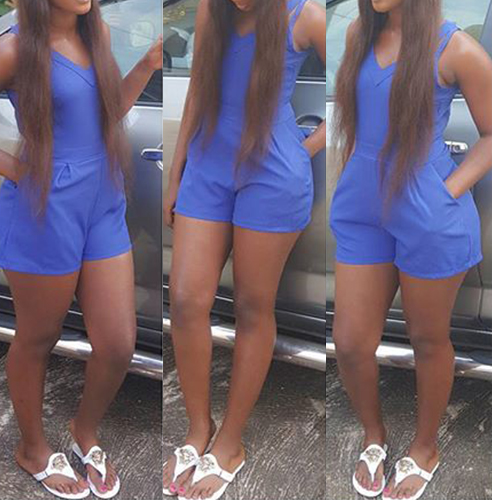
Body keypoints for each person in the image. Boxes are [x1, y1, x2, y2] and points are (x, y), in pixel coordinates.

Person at [0, 0, 162, 498]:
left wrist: (147, 66)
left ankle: (83, 430)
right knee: (38, 337)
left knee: (117, 343)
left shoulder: (96, 34)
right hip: (45, 208)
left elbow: (108, 114)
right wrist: (17, 170)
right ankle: (32, 448)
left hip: (102, 199)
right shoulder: (14, 49)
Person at [162, 0, 326, 499]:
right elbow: (198, 89)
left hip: (272, 175)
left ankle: (230, 442)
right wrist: (176, 171)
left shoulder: (306, 15)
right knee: (186, 300)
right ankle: (199, 427)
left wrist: (304, 148)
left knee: (253, 307)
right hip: (208, 166)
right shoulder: (212, 10)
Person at [329, 0, 492, 499]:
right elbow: (357, 123)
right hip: (363, 208)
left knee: (427, 339)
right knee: (351, 343)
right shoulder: (359, 33)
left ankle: (425, 447)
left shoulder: (455, 47)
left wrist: (447, 191)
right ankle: (374, 435)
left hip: (428, 210)